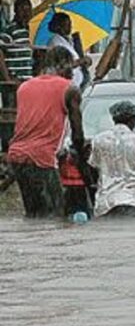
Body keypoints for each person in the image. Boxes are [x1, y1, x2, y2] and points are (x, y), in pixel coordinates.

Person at [6, 46, 83, 218]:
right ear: (61, 64)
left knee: (33, 214)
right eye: (71, 66)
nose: (73, 71)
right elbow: (78, 134)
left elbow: (33, 122)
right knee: (55, 215)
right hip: (42, 158)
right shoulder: (69, 89)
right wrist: (81, 160)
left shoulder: (24, 87)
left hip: (17, 156)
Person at [88, 101, 135, 218]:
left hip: (103, 203)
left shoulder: (98, 140)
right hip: (128, 200)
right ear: (133, 120)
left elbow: (93, 167)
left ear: (114, 119)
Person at [47, 12, 92, 89]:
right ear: (59, 26)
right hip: (66, 85)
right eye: (67, 24)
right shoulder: (55, 42)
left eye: (70, 24)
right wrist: (80, 61)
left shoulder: (69, 40)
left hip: (77, 83)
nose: (70, 27)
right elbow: (63, 65)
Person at [0, 0, 34, 84]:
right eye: (22, 9)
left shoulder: (30, 31)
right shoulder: (10, 29)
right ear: (15, 11)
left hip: (28, 82)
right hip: (15, 82)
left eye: (28, 10)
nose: (26, 13)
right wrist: (8, 78)